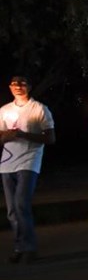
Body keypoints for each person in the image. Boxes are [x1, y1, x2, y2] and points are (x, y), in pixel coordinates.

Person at [0, 75, 55, 263]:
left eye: (22, 83)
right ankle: (19, 247)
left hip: (29, 160)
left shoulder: (39, 109)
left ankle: (29, 247)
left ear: (29, 87)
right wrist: (6, 136)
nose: (18, 86)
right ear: (10, 87)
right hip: (7, 163)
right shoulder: (4, 110)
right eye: (14, 83)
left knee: (21, 203)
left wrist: (23, 135)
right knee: (12, 210)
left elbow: (50, 138)